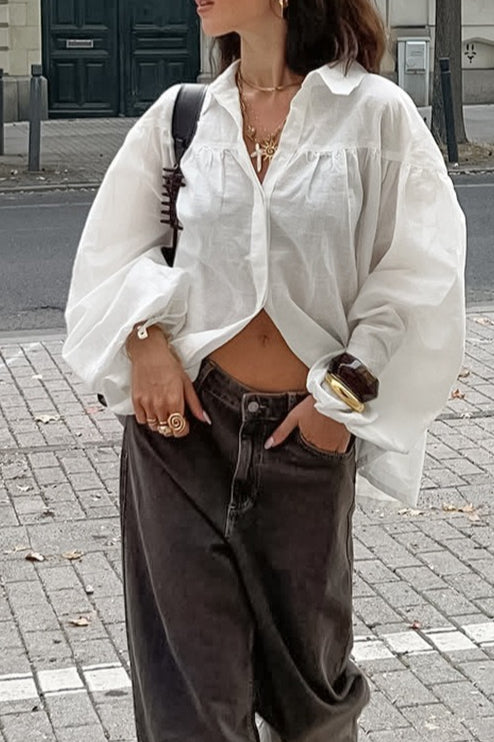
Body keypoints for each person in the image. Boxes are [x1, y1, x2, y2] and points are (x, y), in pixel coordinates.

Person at [62, 0, 466, 740]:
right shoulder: (182, 117)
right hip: (182, 432)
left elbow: (418, 271)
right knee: (190, 706)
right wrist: (144, 341)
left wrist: (337, 408)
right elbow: (109, 253)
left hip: (306, 437)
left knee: (312, 702)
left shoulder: (374, 115)